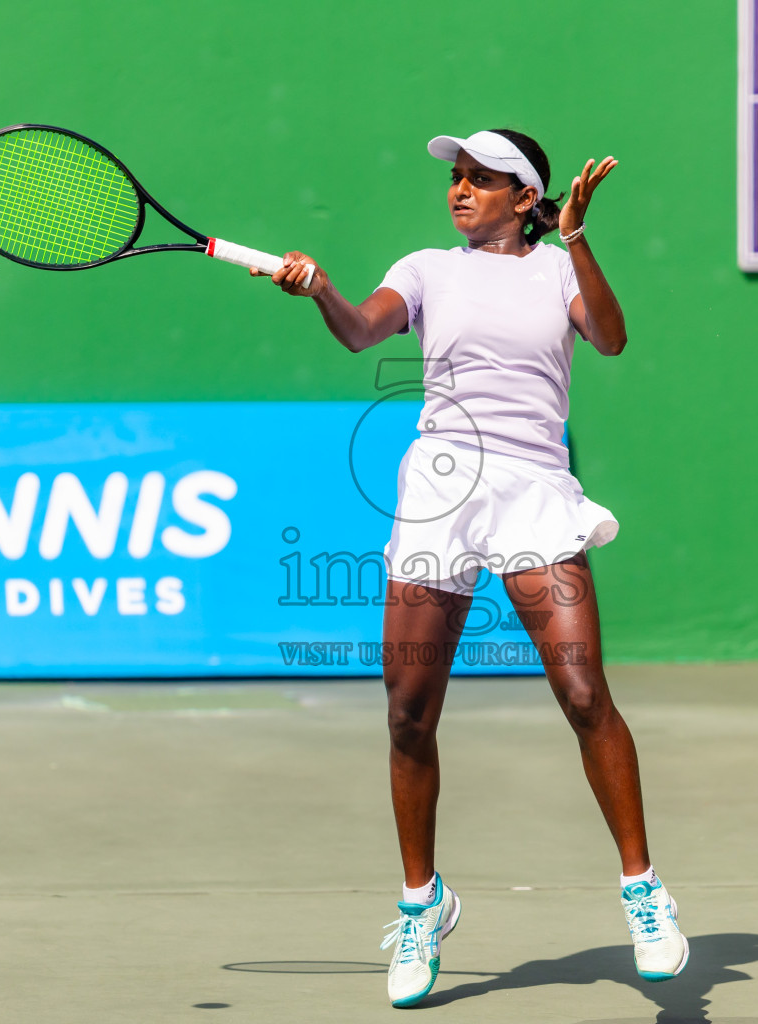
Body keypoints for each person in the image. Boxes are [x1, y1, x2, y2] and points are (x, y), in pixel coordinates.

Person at [256, 128, 687, 1008]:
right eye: (456, 177)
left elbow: (610, 340)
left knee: (582, 693)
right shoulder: (424, 268)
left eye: (482, 180)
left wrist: (576, 237)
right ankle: (423, 902)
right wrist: (321, 289)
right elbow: (357, 334)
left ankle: (644, 892)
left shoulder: (561, 263)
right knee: (408, 711)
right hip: (441, 487)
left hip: (533, 488)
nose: (459, 190)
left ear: (526, 197)